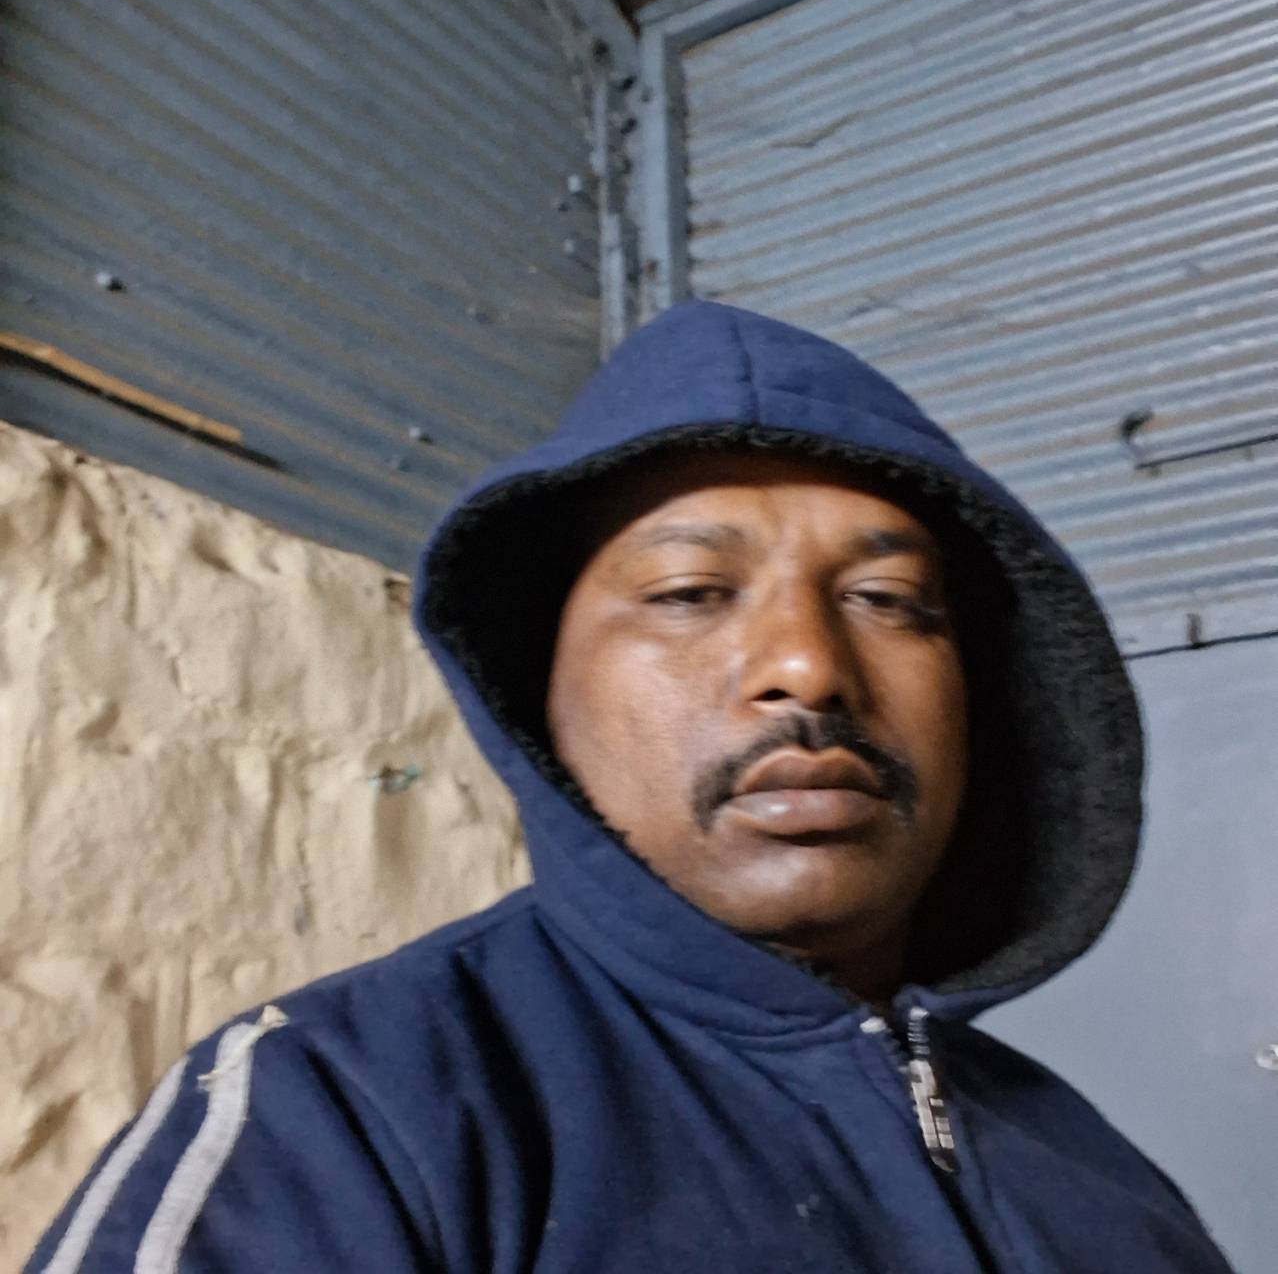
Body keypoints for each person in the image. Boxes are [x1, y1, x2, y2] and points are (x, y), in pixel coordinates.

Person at [30, 301, 1232, 1272]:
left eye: (889, 600)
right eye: (690, 593)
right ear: (538, 698)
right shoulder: (341, 1114)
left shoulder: (1099, 1173)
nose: (808, 664)